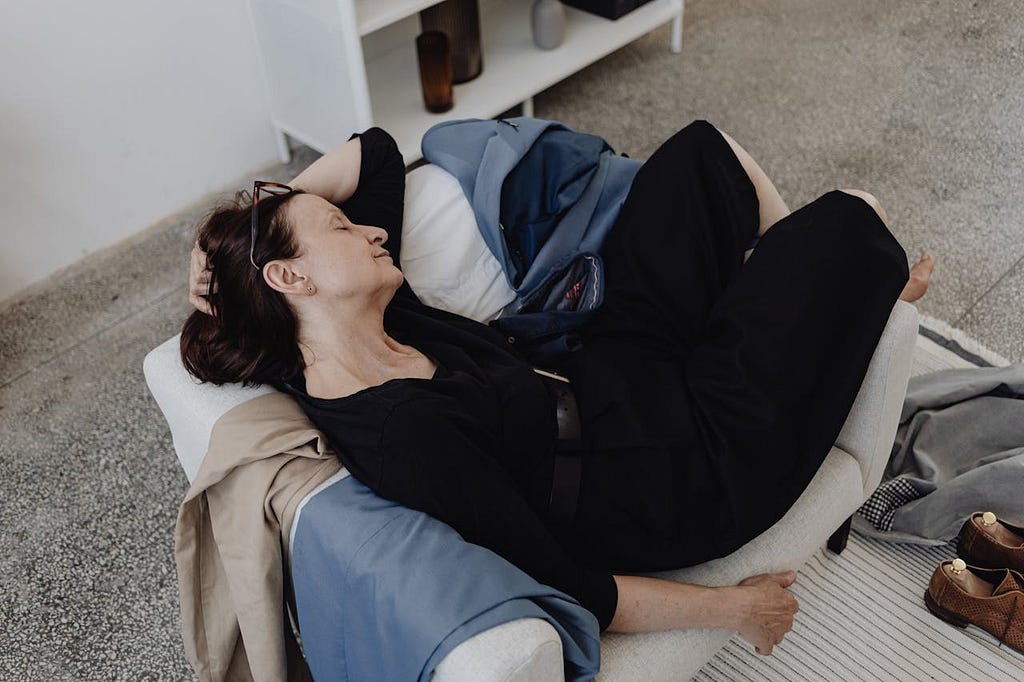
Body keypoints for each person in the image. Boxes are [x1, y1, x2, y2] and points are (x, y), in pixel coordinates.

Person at [182, 122, 934, 656]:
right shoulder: (404, 432)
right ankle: (815, 303)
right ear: (292, 279)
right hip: (680, 468)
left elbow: (376, 155)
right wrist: (737, 611)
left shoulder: (364, 309)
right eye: (342, 231)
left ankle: (787, 298)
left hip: (608, 367)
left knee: (698, 159)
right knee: (850, 218)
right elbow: (565, 581)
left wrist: (244, 231)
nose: (371, 231)